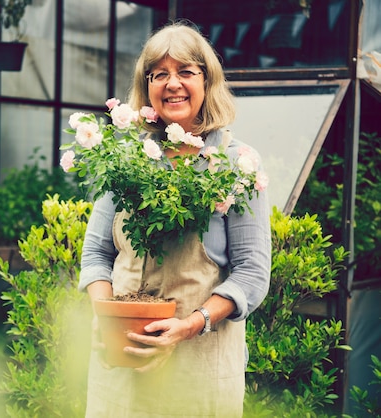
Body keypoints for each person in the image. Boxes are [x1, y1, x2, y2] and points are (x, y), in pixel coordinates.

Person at [79, 20, 271, 417]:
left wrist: (188, 326)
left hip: (198, 369)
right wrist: (105, 315)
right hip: (121, 366)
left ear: (207, 81)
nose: (172, 84)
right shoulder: (126, 159)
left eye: (186, 72)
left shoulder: (237, 165)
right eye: (159, 74)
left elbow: (252, 274)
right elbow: (96, 253)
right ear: (146, 86)